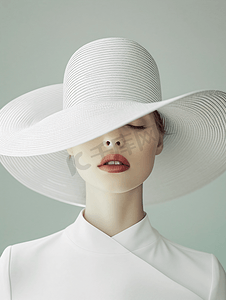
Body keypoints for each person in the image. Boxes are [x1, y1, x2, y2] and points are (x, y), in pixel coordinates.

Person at [0, 37, 225, 299]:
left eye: (136, 125)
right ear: (69, 144)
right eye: (92, 127)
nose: (112, 139)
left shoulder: (205, 277)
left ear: (159, 139)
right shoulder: (16, 269)